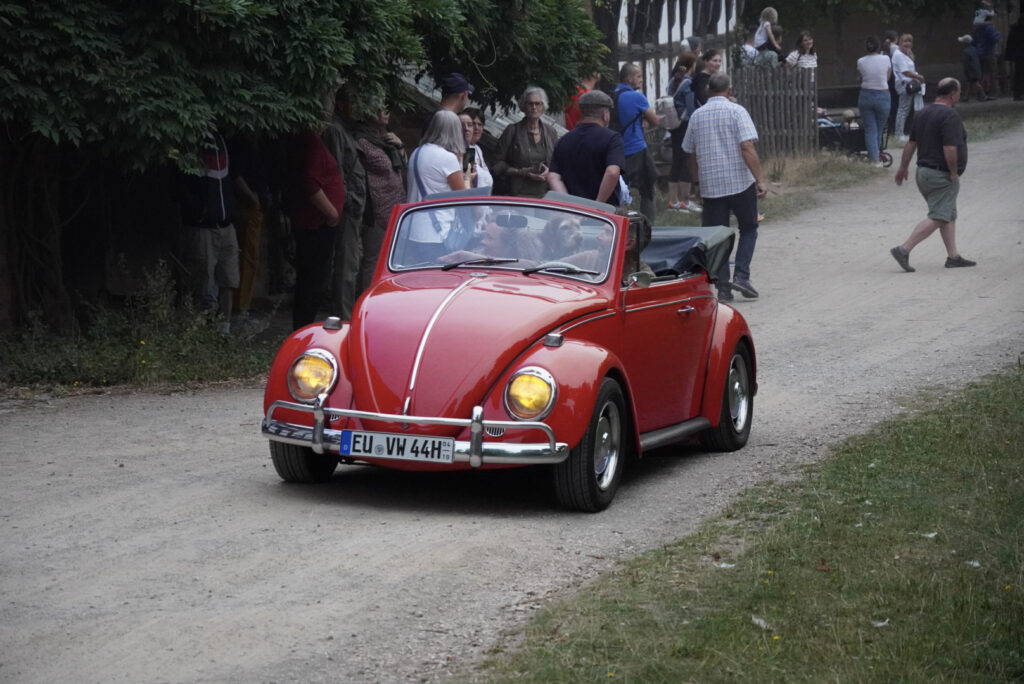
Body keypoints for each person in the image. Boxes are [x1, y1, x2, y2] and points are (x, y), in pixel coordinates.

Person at [682, 72, 766, 302]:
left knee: (717, 237)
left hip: (711, 186)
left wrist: (697, 181)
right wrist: (759, 179)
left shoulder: (697, 116)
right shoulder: (737, 111)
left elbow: (690, 152)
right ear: (729, 91)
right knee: (748, 228)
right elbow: (747, 147)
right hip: (739, 183)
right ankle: (742, 275)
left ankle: (723, 287)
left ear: (709, 90)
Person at [890, 78, 975, 273]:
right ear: (953, 93)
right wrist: (953, 172)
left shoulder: (922, 113)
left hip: (923, 172)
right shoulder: (949, 115)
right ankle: (903, 249)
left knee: (948, 214)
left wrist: (903, 167)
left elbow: (911, 143)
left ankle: (953, 257)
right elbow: (950, 147)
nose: (960, 96)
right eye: (960, 92)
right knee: (939, 215)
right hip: (940, 174)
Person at [176, 130, 240, 334]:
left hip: (226, 224)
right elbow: (178, 186)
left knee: (229, 277)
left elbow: (232, 177)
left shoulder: (224, 140)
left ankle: (225, 328)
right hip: (202, 227)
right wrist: (199, 211)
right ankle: (199, 330)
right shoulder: (188, 143)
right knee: (202, 280)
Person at [285, 129, 346, 330]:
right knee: (312, 281)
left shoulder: (311, 141)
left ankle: (304, 326)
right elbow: (310, 183)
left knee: (313, 280)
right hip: (315, 225)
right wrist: (331, 213)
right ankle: (303, 328)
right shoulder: (310, 142)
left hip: (315, 224)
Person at [322, 90, 367, 320]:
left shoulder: (349, 131)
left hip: (355, 207)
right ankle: (343, 318)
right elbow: (336, 172)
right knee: (345, 268)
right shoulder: (335, 131)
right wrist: (348, 200)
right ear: (340, 104)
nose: (357, 107)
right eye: (352, 100)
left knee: (351, 265)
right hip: (347, 208)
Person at [353, 107, 407, 292]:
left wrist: (399, 146)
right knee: (372, 261)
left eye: (387, 109)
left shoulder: (385, 139)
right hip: (375, 209)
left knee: (387, 263)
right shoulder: (362, 141)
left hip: (393, 209)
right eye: (380, 109)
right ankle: (364, 304)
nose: (386, 112)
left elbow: (401, 167)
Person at [405, 110, 469, 263]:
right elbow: (465, 196)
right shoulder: (447, 158)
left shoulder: (417, 152)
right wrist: (467, 175)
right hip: (436, 233)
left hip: (411, 228)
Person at [546, 89, 624, 205]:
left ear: (581, 113)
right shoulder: (612, 139)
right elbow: (612, 172)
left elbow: (553, 177)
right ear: (605, 115)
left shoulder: (563, 140)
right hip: (605, 217)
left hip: (572, 216)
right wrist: (597, 205)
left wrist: (569, 205)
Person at [612, 63, 661, 225]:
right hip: (637, 147)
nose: (641, 79)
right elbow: (655, 121)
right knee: (648, 187)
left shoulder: (613, 95)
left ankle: (618, 222)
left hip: (618, 149)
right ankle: (648, 224)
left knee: (620, 189)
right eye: (639, 76)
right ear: (629, 78)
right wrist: (645, 121)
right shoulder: (637, 97)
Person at [491, 87, 559, 198]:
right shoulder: (512, 130)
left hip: (545, 195)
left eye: (538, 104)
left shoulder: (551, 132)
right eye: (530, 104)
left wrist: (549, 171)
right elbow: (497, 163)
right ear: (523, 106)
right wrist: (521, 172)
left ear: (543, 107)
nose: (534, 107)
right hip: (518, 194)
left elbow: (558, 162)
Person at [667, 53, 700, 211]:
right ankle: (685, 201)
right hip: (685, 124)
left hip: (674, 125)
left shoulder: (672, 81)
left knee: (676, 161)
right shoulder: (688, 83)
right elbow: (691, 107)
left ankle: (673, 200)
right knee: (686, 161)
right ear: (692, 65)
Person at [857, 35, 893, 165]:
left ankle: (874, 158)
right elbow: (888, 76)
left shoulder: (860, 61)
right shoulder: (886, 59)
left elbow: (861, 76)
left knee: (870, 129)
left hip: (865, 95)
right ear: (879, 46)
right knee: (879, 128)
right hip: (882, 94)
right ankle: (877, 153)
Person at [892, 33, 925, 141]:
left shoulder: (905, 55)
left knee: (906, 109)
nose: (907, 43)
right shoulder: (898, 55)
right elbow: (905, 71)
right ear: (900, 42)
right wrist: (918, 76)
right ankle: (899, 133)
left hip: (910, 83)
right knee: (903, 109)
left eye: (909, 41)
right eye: (905, 41)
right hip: (904, 84)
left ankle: (901, 131)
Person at [460, 108, 493, 189]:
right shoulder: (467, 150)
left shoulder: (477, 149)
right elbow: (467, 184)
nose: (477, 128)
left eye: (480, 124)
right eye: (473, 124)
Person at [973, 15, 1002, 97]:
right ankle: (993, 92)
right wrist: (999, 35)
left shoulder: (977, 29)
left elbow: (974, 41)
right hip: (989, 52)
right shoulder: (989, 27)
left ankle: (981, 92)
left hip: (979, 53)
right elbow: (993, 39)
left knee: (982, 73)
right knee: (992, 73)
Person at [957, 34, 990, 102]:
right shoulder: (974, 49)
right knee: (970, 83)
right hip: (976, 69)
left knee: (975, 83)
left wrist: (966, 70)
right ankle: (966, 97)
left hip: (971, 70)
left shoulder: (965, 51)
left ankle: (983, 95)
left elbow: (966, 63)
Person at [1006, 14, 1024, 101]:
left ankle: (1018, 93)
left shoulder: (1014, 30)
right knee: (1019, 74)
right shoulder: (1017, 30)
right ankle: (1018, 93)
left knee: (1018, 74)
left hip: (1018, 56)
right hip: (1019, 56)